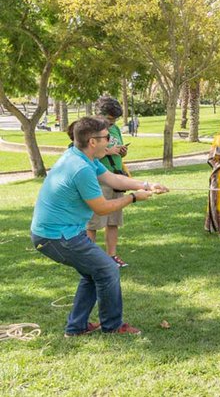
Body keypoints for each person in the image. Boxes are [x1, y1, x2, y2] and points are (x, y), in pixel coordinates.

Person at [30, 116, 168, 336]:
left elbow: (113, 179)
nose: (111, 143)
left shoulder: (82, 157)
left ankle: (76, 327)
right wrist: (133, 198)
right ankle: (113, 326)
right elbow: (102, 208)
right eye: (107, 138)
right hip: (55, 236)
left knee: (94, 272)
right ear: (93, 141)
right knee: (107, 269)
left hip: (66, 232)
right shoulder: (80, 168)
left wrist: (147, 184)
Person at [87, 97, 131, 268]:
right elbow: (87, 154)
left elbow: (117, 151)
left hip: (116, 178)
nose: (112, 123)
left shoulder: (115, 129)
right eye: (110, 119)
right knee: (94, 222)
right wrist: (108, 151)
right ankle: (90, 258)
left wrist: (121, 152)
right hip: (99, 180)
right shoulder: (90, 129)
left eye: (115, 120)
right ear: (99, 114)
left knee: (113, 221)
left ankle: (111, 256)